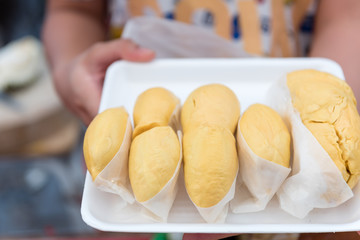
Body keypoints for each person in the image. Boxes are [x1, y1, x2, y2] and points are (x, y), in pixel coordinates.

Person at [42, 0, 360, 239]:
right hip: (129, 107)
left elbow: (347, 17)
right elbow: (73, 10)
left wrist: (333, 130)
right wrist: (70, 65)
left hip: (294, 128)